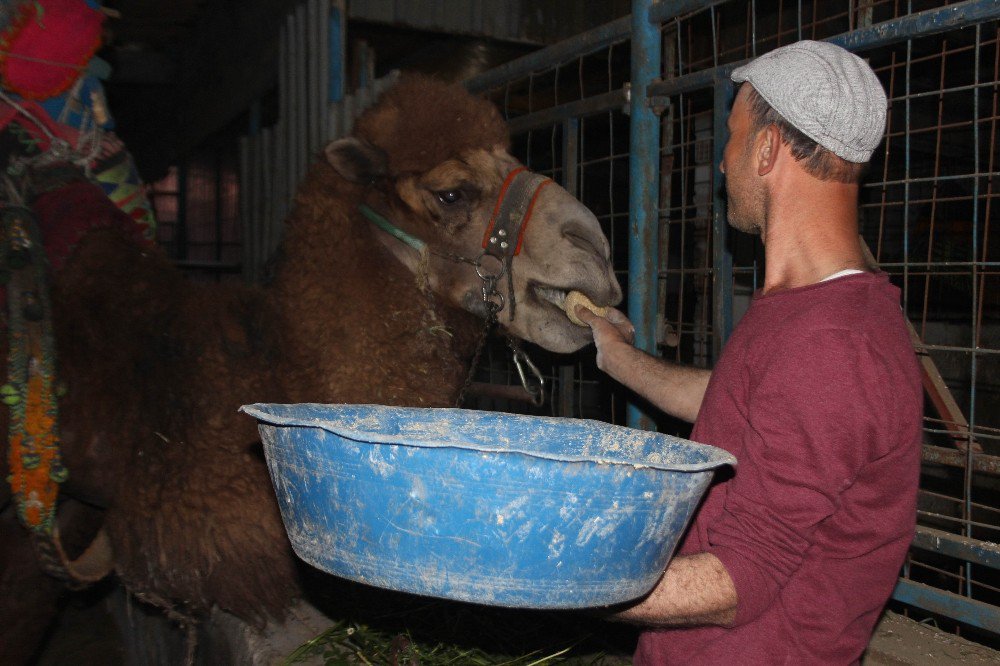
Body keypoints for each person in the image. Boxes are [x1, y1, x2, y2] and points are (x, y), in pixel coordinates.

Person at [574, 40, 923, 665]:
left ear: (767, 150)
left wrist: (548, 578)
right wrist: (618, 355)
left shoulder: (833, 347)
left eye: (732, 136)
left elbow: (740, 579)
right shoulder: (809, 310)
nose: (725, 157)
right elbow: (748, 403)